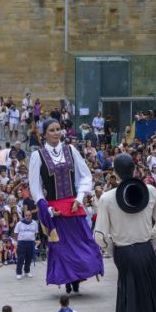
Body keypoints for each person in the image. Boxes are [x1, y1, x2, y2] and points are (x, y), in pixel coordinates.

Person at [94, 153, 156, 312]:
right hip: (145, 247)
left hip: (124, 251)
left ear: (114, 173)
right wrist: (152, 243)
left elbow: (100, 234)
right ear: (135, 169)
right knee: (152, 290)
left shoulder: (106, 198)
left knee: (132, 293)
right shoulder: (150, 191)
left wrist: (113, 250)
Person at [28, 118, 103, 293]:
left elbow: (85, 175)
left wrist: (80, 197)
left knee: (83, 243)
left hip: (72, 205)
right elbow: (35, 186)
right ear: (44, 134)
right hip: (55, 210)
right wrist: (45, 207)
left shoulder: (70, 150)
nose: (56, 133)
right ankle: (68, 279)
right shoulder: (37, 155)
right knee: (62, 248)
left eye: (58, 129)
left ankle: (78, 277)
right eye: (52, 130)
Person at [13, 210, 37, 279]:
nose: (28, 217)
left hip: (30, 243)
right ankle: (19, 273)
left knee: (29, 258)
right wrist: (15, 242)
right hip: (21, 243)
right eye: (26, 215)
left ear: (31, 216)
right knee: (20, 258)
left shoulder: (34, 223)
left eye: (29, 215)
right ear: (24, 216)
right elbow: (15, 234)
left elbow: (35, 233)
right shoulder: (19, 223)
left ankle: (27, 272)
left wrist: (32, 239)